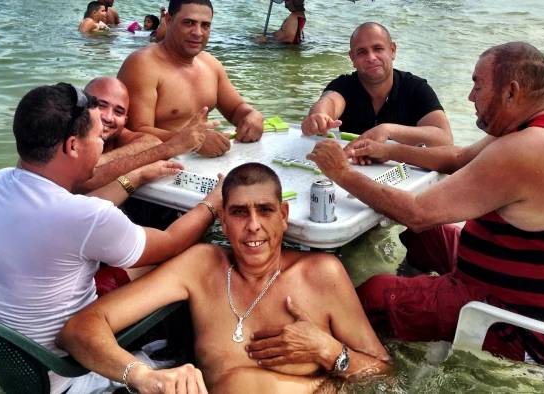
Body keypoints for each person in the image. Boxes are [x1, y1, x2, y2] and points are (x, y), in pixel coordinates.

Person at [307, 42, 544, 366]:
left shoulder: (526, 149)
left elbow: (418, 213)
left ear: (511, 92)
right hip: (525, 280)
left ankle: (370, 358)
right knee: (424, 238)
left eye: (477, 85)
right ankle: (417, 309)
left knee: (374, 293)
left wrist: (341, 173)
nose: (470, 97)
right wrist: (388, 150)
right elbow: (457, 157)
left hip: (532, 331)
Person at [0, 83, 224, 394]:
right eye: (97, 137)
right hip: (65, 374)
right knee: (185, 259)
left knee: (141, 263)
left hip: (8, 361)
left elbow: (77, 220)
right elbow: (173, 241)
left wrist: (133, 177)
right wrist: (213, 203)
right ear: (71, 146)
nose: (101, 143)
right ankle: (181, 349)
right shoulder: (83, 217)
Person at [57, 163, 392, 394]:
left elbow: (384, 371)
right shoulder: (202, 267)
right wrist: (144, 377)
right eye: (239, 212)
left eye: (265, 210)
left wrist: (328, 349)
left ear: (283, 216)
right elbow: (79, 329)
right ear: (223, 223)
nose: (253, 226)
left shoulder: (321, 274)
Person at [118, 0, 264, 158]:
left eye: (205, 25)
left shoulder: (211, 64)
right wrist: (191, 141)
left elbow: (236, 109)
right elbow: (133, 133)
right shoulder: (142, 65)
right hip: (160, 165)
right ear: (169, 20)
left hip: (202, 163)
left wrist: (253, 115)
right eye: (188, 23)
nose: (197, 33)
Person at [301, 22, 452, 148]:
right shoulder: (345, 85)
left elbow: (444, 139)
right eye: (361, 52)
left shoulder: (415, 88)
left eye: (378, 49)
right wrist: (319, 117)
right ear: (352, 58)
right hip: (354, 167)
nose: (371, 57)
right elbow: (330, 101)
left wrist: (388, 131)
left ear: (392, 51)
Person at [74, 77, 218, 194]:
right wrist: (171, 147)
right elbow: (82, 181)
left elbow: (151, 143)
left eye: (118, 112)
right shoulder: (60, 132)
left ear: (125, 121)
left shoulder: (118, 133)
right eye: (101, 105)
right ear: (81, 105)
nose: (109, 117)